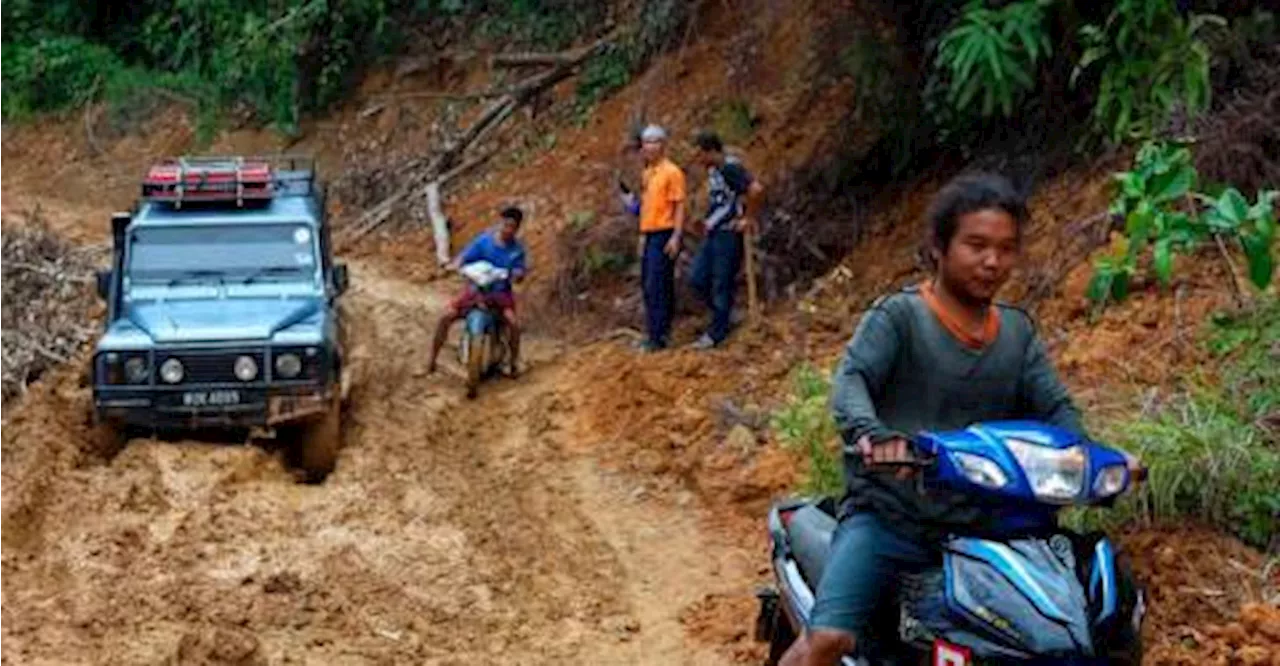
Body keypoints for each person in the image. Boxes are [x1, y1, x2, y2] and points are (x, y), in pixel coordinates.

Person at [780, 172, 1139, 666]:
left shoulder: (1016, 332)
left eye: (1006, 248)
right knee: (830, 640)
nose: (992, 261)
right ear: (940, 246)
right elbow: (852, 382)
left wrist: (1094, 457)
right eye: (976, 245)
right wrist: (874, 437)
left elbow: (1055, 405)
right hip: (896, 519)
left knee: (1097, 617)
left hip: (997, 525)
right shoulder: (899, 318)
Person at [427, 206, 527, 377]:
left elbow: (520, 272)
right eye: (506, 224)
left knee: (513, 324)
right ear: (500, 223)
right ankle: (432, 360)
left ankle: (513, 363)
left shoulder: (516, 250)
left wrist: (516, 275)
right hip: (475, 292)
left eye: (512, 227)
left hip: (500, 295)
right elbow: (465, 257)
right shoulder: (484, 242)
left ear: (517, 228)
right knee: (446, 316)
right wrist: (455, 266)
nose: (508, 229)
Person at [688, 130, 764, 349]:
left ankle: (717, 333)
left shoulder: (731, 168)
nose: (698, 160)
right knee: (697, 277)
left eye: (699, 154)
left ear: (710, 152)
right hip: (713, 231)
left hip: (728, 234)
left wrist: (748, 218)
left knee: (722, 282)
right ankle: (725, 315)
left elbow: (755, 190)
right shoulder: (714, 171)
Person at [627, 124, 687, 352]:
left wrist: (676, 236)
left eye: (655, 142)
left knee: (658, 284)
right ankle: (657, 331)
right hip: (650, 233)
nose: (650, 147)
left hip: (665, 233)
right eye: (646, 142)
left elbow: (679, 205)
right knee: (649, 283)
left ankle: (658, 336)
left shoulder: (672, 172)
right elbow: (646, 207)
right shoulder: (647, 173)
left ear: (663, 145)